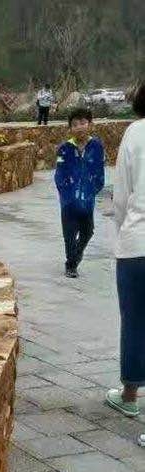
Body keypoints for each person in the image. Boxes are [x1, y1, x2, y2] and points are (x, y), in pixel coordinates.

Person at [105, 81, 145, 438]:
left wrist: (123, 233)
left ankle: (130, 396)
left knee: (134, 321)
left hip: (137, 244)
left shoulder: (135, 133)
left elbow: (121, 196)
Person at [54, 107, 106, 278]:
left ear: (90, 124)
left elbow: (99, 171)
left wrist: (94, 189)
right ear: (70, 128)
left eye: (83, 123)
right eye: (75, 124)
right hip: (69, 201)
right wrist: (66, 194)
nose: (79, 127)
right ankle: (71, 265)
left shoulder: (96, 146)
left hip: (87, 200)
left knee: (87, 231)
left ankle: (77, 254)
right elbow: (59, 175)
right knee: (69, 234)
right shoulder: (65, 148)